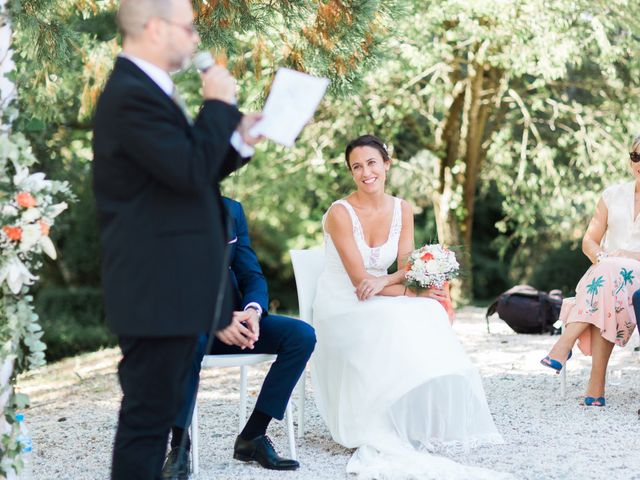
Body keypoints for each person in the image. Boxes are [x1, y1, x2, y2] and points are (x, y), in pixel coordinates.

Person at [92, 0, 262, 478]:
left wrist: (240, 139)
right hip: (155, 289)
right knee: (146, 424)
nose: (195, 39)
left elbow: (189, 169)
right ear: (154, 28)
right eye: (187, 29)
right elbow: (190, 171)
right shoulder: (130, 94)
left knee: (151, 417)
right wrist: (219, 105)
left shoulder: (148, 91)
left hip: (172, 290)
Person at [311, 135, 505, 479]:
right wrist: (405, 291)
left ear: (387, 164)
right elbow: (359, 283)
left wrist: (397, 285)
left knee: (429, 310)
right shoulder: (341, 214)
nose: (365, 172)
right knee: (398, 319)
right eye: (357, 166)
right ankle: (379, 420)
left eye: (372, 163)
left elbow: (405, 266)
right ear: (351, 173)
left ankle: (418, 419)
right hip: (342, 303)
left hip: (377, 291)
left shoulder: (402, 208)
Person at [161, 197, 316, 479]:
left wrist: (253, 312)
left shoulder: (232, 210)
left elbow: (250, 273)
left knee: (301, 336)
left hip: (237, 321)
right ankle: (179, 447)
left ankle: (253, 436)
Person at [541, 135, 640, 407]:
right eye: (635, 157)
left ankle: (565, 346)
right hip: (607, 275)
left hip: (637, 278)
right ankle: (595, 387)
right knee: (607, 282)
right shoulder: (612, 195)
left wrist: (627, 255)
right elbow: (589, 240)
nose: (639, 163)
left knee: (608, 276)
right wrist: (601, 256)